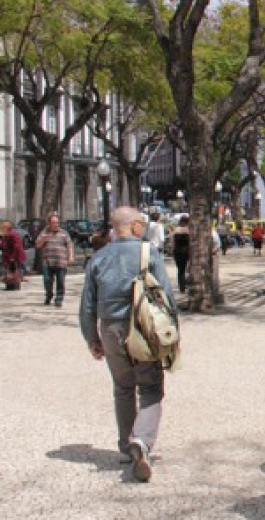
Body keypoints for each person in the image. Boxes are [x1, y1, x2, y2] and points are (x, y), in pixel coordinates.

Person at [79, 206, 176, 483]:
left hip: (110, 328)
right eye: (141, 223)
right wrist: (173, 336)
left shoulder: (98, 258)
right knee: (150, 387)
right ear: (133, 226)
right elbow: (166, 297)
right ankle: (141, 442)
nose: (143, 227)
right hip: (143, 328)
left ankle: (125, 445)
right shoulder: (149, 253)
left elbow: (87, 305)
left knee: (122, 388)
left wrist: (92, 338)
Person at [36, 213, 74, 307]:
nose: (56, 224)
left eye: (57, 222)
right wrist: (43, 240)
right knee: (47, 280)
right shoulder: (44, 233)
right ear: (48, 223)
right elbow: (38, 245)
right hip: (47, 261)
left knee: (60, 281)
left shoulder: (64, 233)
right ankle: (48, 295)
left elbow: (69, 245)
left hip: (60, 261)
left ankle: (59, 299)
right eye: (53, 222)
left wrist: (70, 256)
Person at [166, 216, 192, 293]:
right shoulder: (190, 231)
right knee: (189, 269)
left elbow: (172, 243)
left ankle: (182, 287)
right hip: (187, 252)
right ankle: (188, 284)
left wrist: (171, 251)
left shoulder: (175, 231)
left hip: (177, 252)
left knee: (181, 270)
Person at [0, 218, 27, 290]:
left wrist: (13, 257)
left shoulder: (12, 234)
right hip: (10, 257)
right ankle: (11, 285)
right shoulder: (7, 234)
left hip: (13, 257)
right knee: (11, 271)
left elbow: (17, 247)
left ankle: (13, 285)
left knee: (13, 271)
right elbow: (4, 246)